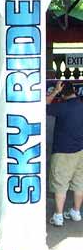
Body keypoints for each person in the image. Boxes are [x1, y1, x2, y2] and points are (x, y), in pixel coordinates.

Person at [47, 80, 83, 227]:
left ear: (62, 93)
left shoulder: (61, 107)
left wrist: (55, 91)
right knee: (79, 183)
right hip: (81, 150)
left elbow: (42, 106)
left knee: (60, 184)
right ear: (74, 90)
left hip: (63, 151)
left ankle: (58, 216)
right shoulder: (81, 105)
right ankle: (76, 212)